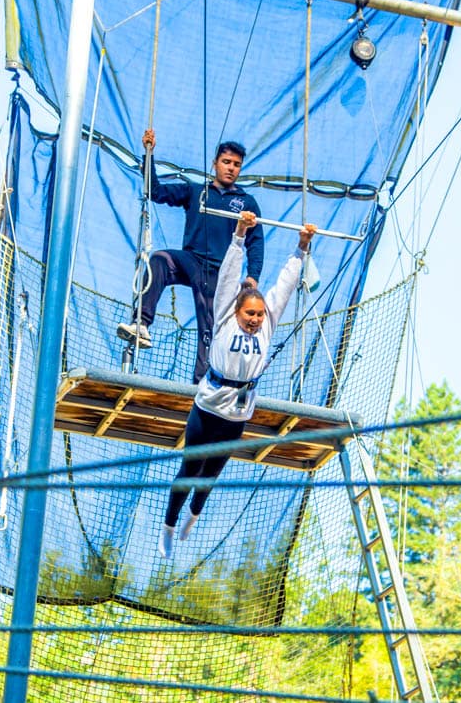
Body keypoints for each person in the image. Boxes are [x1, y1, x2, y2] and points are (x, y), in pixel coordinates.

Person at [159, 211, 316, 559]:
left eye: (259, 315)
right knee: (191, 467)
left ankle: (193, 517)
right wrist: (239, 235)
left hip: (238, 412)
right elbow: (230, 278)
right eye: (250, 314)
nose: (255, 319)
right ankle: (169, 523)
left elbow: (284, 287)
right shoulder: (226, 317)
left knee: (213, 472)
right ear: (237, 312)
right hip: (209, 404)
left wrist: (302, 248)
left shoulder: (268, 323)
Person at [118, 129, 265, 384]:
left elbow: (256, 241)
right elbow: (155, 191)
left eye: (236, 165)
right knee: (160, 260)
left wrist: (253, 276)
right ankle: (141, 323)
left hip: (219, 271)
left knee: (209, 326)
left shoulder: (246, 203)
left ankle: (202, 382)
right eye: (226, 162)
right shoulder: (196, 191)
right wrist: (149, 154)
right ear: (215, 163)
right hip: (191, 260)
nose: (231, 168)